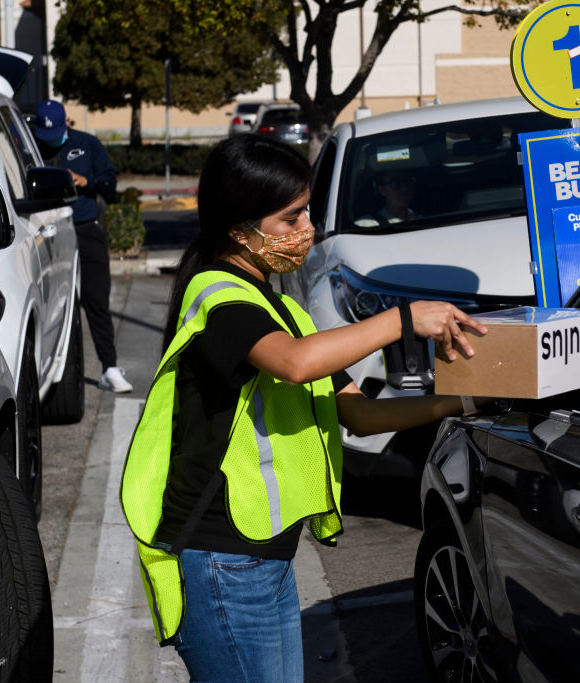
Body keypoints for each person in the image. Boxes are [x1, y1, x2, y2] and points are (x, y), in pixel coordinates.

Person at [119, 134, 487, 682]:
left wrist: (463, 400)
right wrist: (403, 320)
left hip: (263, 557)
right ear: (239, 228)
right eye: (290, 219)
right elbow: (294, 363)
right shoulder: (218, 298)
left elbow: (360, 415)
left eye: (307, 212)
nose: (306, 229)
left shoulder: (284, 307)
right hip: (222, 558)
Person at [33, 99, 132, 393]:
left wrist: (86, 181)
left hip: (84, 229)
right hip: (45, 232)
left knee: (97, 300)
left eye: (55, 133)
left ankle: (110, 368)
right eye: (45, 135)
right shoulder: (30, 146)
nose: (50, 140)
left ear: (67, 123)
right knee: (50, 304)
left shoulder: (86, 144)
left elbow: (110, 183)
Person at [354, 168, 418, 227]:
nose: (405, 188)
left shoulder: (425, 220)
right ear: (381, 190)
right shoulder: (366, 224)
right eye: (395, 183)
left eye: (408, 181)